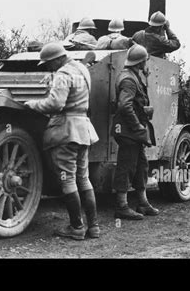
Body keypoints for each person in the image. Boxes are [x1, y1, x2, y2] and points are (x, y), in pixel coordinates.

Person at [24, 42, 100, 240]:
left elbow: (55, 104)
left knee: (67, 180)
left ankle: (76, 227)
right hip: (83, 130)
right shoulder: (82, 69)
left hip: (67, 132)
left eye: (48, 63)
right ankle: (93, 227)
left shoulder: (63, 74)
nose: (48, 67)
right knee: (83, 179)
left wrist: (32, 104)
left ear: (57, 59)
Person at [111, 44, 159, 220]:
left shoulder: (133, 76)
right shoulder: (129, 80)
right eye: (145, 61)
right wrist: (137, 125)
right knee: (127, 166)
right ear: (140, 62)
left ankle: (143, 203)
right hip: (127, 130)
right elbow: (124, 106)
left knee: (141, 166)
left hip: (130, 130)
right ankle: (121, 206)